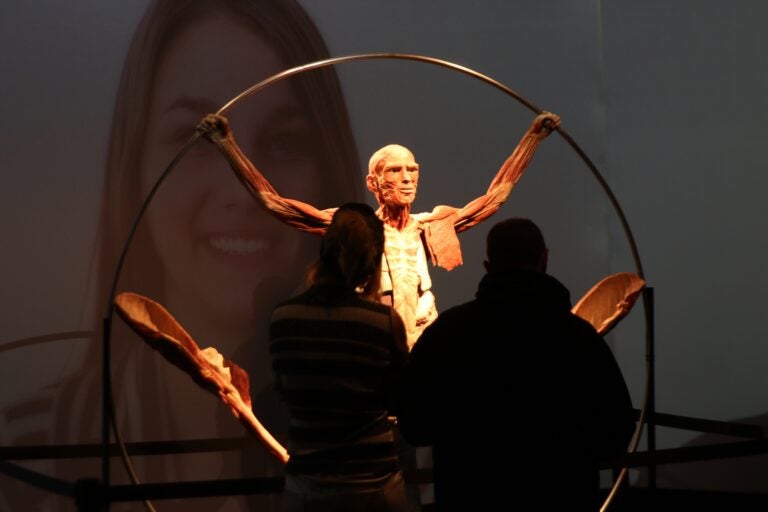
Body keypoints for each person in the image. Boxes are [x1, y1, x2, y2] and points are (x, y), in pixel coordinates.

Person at [0, 1, 362, 511]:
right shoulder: (29, 457)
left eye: (285, 140)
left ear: (329, 168)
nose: (240, 196)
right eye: (196, 140)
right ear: (137, 168)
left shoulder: (386, 438)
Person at [198, 110, 561, 349]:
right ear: (373, 182)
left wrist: (532, 138)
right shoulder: (356, 228)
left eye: (412, 170)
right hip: (372, 340)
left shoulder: (430, 225)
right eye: (395, 172)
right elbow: (276, 204)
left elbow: (494, 197)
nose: (406, 179)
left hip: (424, 339)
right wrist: (226, 145)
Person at [396, 217, 636, 511]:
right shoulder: (578, 338)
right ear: (544, 259)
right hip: (561, 496)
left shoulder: (449, 332)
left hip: (470, 496)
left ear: (488, 265)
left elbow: (415, 424)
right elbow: (615, 431)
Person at [269, 203, 409, 511]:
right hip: (375, 487)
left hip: (307, 486)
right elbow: (402, 398)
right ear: (372, 261)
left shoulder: (283, 318)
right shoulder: (383, 322)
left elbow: (286, 391)